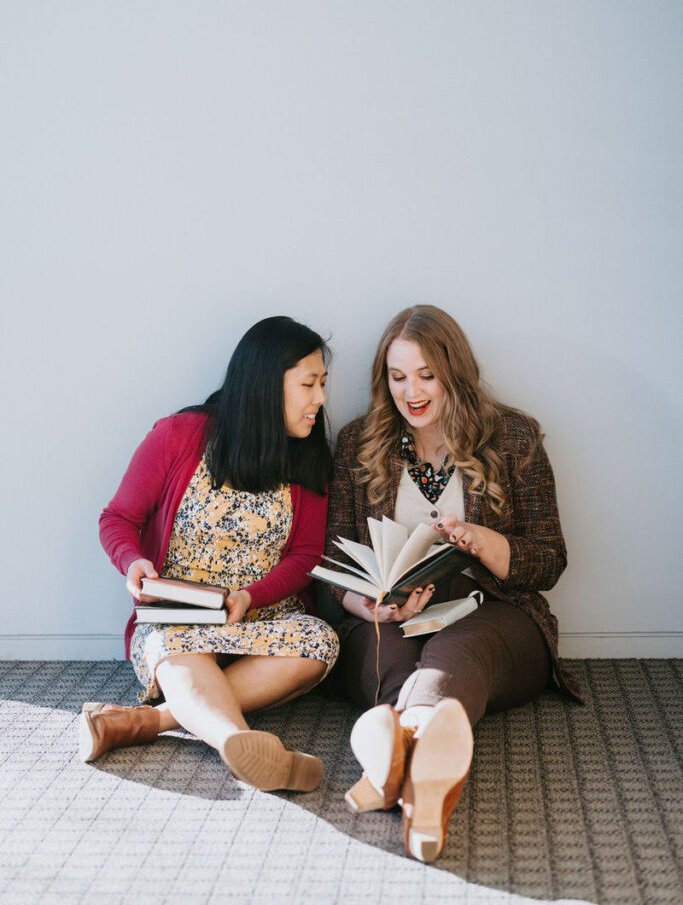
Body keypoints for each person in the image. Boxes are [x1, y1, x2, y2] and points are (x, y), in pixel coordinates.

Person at [324, 305, 579, 861]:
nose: (410, 391)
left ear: (453, 372)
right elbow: (332, 562)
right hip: (390, 614)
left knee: (453, 653)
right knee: (384, 662)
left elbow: (551, 559)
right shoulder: (358, 443)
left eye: (425, 375)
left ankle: (390, 773)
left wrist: (483, 541)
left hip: (495, 611)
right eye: (396, 377)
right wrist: (368, 605)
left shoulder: (513, 437)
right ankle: (426, 791)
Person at [80, 316, 339, 793]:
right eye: (308, 384)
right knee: (177, 645)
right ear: (265, 385)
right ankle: (237, 741)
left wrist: (250, 597)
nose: (320, 399)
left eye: (323, 383)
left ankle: (148, 722)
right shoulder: (179, 435)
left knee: (320, 642)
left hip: (258, 617)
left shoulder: (308, 456)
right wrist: (132, 563)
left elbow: (305, 556)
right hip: (177, 620)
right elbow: (117, 518)